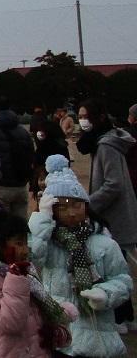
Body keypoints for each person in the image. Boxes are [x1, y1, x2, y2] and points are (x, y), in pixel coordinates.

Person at [29, 155, 132, 356]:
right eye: (63, 207)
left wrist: (105, 293)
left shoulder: (104, 243)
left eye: (77, 205)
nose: (72, 212)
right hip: (60, 335)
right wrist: (42, 221)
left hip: (96, 336)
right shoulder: (49, 242)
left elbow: (123, 280)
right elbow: (32, 258)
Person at [0, 210, 77, 357]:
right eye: (18, 243)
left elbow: (37, 310)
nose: (25, 249)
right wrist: (16, 277)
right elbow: (10, 323)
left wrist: (53, 332)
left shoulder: (26, 271)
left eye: (25, 242)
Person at [84, 114, 137, 331]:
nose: (82, 121)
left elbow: (113, 184)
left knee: (113, 266)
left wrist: (89, 204)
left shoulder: (106, 146)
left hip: (112, 216)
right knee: (118, 264)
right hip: (115, 213)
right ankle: (126, 315)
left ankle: (119, 318)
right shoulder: (107, 143)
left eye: (86, 116)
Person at [0, 95, 35, 220]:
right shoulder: (22, 131)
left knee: (2, 227)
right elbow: (31, 155)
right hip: (20, 185)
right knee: (20, 228)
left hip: (0, 185)